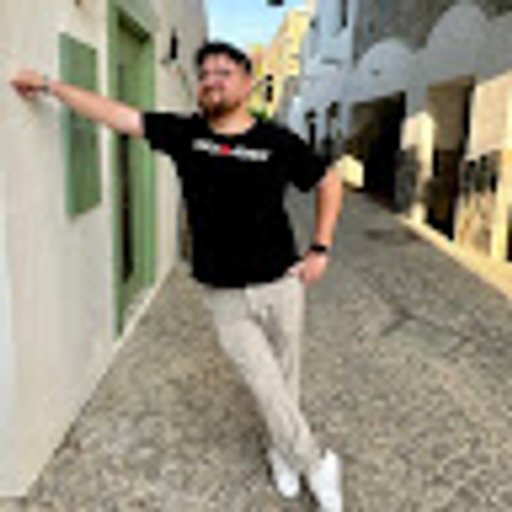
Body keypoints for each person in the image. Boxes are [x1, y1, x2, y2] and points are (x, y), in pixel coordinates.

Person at [10, 40, 343, 512]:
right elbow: (117, 116)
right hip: (223, 294)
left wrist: (320, 248)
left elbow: (329, 180)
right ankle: (316, 463)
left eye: (223, 72)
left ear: (247, 83)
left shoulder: (278, 141)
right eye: (204, 74)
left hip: (280, 283)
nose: (211, 80)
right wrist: (49, 85)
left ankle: (282, 450)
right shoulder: (186, 134)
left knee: (285, 376)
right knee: (263, 380)